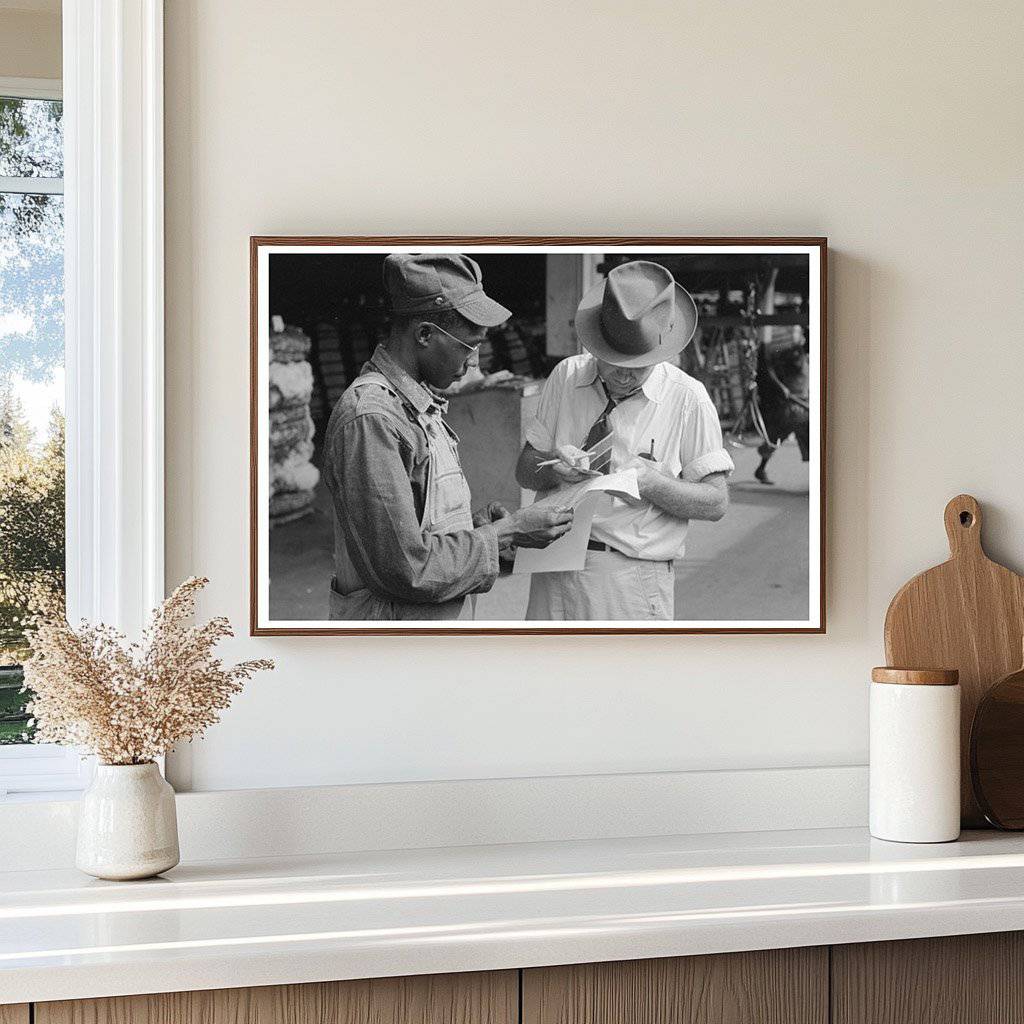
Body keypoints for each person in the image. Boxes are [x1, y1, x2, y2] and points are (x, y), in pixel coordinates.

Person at [323, 253, 573, 620]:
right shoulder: (372, 418)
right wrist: (507, 532)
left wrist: (472, 526)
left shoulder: (418, 405)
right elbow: (406, 568)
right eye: (470, 346)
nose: (475, 363)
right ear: (424, 334)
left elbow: (413, 528)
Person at [516, 260, 734, 620]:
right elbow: (525, 472)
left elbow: (715, 502)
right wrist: (555, 466)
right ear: (595, 344)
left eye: (638, 367)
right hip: (551, 564)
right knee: (547, 674)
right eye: (612, 362)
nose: (623, 377)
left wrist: (650, 484)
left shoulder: (687, 398)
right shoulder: (566, 376)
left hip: (630, 578)